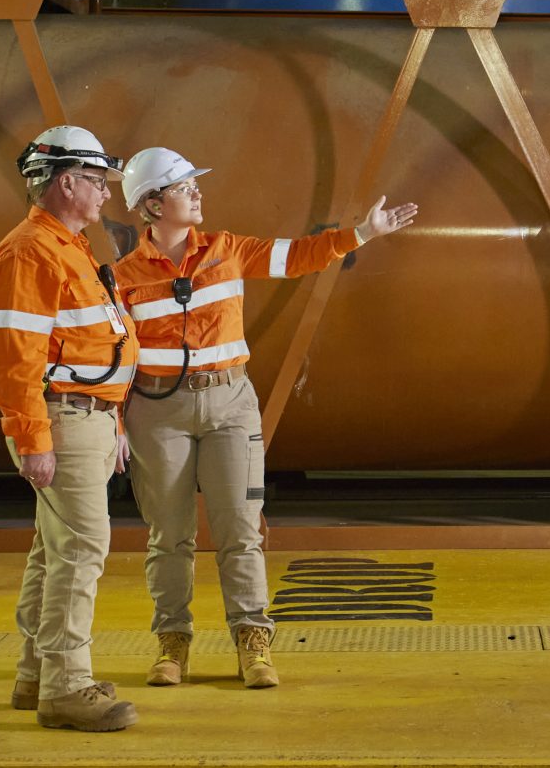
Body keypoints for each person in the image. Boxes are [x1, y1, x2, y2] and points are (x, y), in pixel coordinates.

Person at [113, 146, 420, 690]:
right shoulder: (123, 276)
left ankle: (253, 644)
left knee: (240, 529)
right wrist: (117, 420)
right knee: (170, 536)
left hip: (230, 402)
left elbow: (299, 256)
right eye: (185, 188)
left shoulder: (228, 250)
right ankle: (173, 645)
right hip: (158, 412)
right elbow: (118, 354)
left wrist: (362, 234)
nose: (198, 194)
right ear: (152, 206)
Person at [0, 124, 140, 733]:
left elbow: (94, 344)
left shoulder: (69, 246)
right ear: (66, 181)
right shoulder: (29, 251)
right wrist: (32, 437)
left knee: (54, 550)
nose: (105, 195)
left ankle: (35, 674)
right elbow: (13, 354)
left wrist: (115, 418)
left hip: (87, 417)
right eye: (97, 182)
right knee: (81, 549)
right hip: (61, 417)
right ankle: (68, 687)